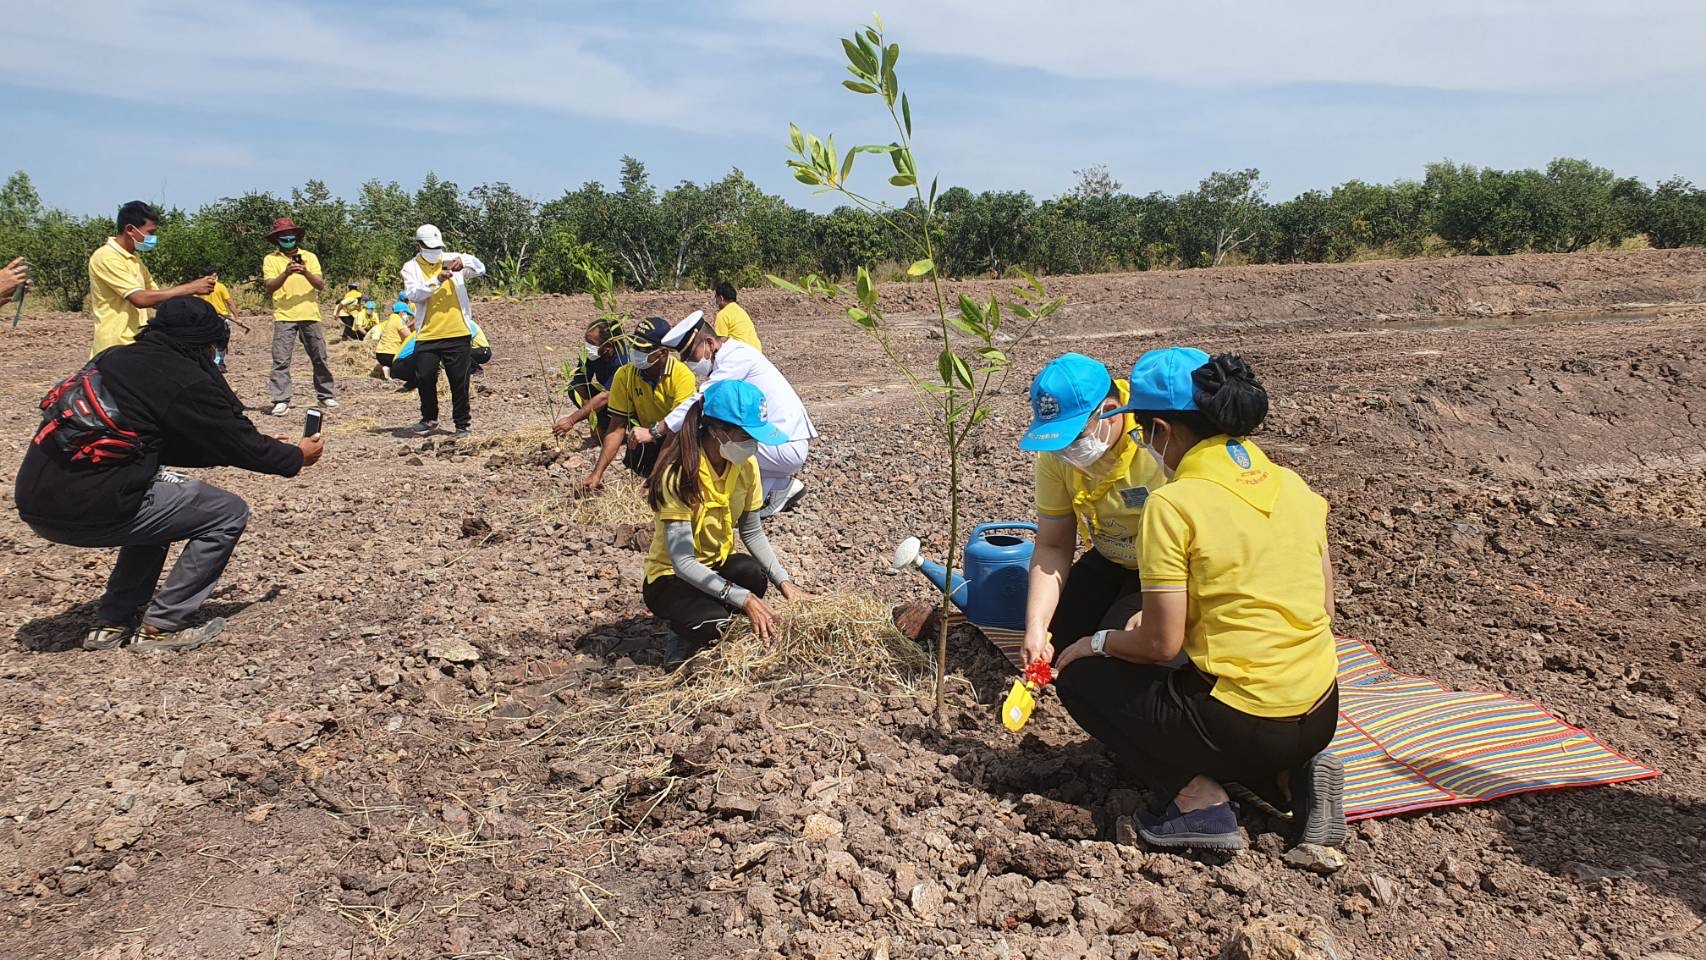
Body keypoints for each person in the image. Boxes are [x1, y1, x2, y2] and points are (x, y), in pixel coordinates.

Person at [1048, 348, 1344, 852]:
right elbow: (1325, 609)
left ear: (1162, 431)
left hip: (1245, 724)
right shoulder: (1293, 485)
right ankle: (1291, 776)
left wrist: (1097, 643)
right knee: (1207, 681)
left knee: (1081, 677)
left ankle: (1199, 802)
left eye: (1143, 433)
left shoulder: (1173, 504)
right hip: (1321, 711)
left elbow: (1161, 646)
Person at [14, 297, 324, 651]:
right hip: (92, 508)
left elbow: (159, 439)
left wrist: (254, 445)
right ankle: (161, 628)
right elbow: (239, 442)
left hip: (36, 502)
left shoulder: (113, 359)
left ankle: (113, 623)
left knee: (165, 508)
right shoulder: (185, 378)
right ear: (206, 342)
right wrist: (296, 456)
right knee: (226, 513)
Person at [1018, 353, 1170, 667]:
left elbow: (1210, 540)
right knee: (1060, 646)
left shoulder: (1159, 443)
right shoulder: (1056, 455)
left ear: (1110, 412)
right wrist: (1036, 626)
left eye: (1075, 437)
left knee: (1109, 662)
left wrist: (1164, 612)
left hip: (1168, 568)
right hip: (1112, 554)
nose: (1065, 450)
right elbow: (1052, 544)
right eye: (1058, 441)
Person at [642, 379, 805, 668]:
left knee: (754, 574)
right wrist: (744, 600)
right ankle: (683, 631)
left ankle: (711, 612)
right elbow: (682, 562)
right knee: (717, 624)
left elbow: (752, 531)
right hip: (671, 578)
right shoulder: (678, 476)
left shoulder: (746, 465)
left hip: (715, 566)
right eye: (746, 436)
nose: (752, 445)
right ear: (718, 433)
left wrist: (786, 583)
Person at [642, 311, 813, 518]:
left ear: (709, 343)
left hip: (783, 443)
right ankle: (780, 486)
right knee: (724, 435)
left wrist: (656, 430)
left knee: (710, 437)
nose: (689, 363)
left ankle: (695, 497)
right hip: (782, 443)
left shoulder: (735, 359)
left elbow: (701, 400)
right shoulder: (732, 354)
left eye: (690, 356)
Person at [555, 316, 696, 493]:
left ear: (662, 353)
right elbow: (616, 427)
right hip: (648, 435)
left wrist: (655, 478)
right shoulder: (626, 374)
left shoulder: (682, 377)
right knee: (637, 452)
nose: (635, 352)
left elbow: (676, 430)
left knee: (677, 479)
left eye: (642, 349)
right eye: (634, 345)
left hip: (676, 439)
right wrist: (597, 474)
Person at [87, 201, 216, 357]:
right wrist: (190, 287)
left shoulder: (134, 259)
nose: (153, 238)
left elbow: (157, 299)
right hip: (115, 346)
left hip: (136, 342)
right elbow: (140, 299)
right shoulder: (107, 257)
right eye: (150, 232)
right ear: (130, 230)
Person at [399, 224, 486, 436]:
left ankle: (462, 424)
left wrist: (464, 262)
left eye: (438, 247)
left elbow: (480, 268)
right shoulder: (410, 267)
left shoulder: (452, 258)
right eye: (430, 247)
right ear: (419, 245)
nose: (435, 251)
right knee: (425, 378)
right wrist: (437, 280)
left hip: (457, 331)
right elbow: (414, 295)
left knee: (459, 381)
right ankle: (429, 418)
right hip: (428, 333)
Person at [261, 217, 336, 416]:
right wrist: (286, 273)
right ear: (277, 239)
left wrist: (304, 272)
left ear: (296, 236)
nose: (287, 238)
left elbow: (320, 284)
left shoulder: (309, 257)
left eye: (290, 235)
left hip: (309, 313)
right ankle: (281, 399)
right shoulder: (271, 259)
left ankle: (325, 394)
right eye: (282, 236)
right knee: (281, 359)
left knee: (319, 356)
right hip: (284, 315)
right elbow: (270, 286)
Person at [557, 319, 627, 441]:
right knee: (574, 388)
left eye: (591, 342)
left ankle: (620, 432)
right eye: (586, 341)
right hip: (606, 399)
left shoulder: (622, 361)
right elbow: (580, 383)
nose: (587, 346)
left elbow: (606, 396)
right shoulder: (591, 354)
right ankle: (603, 427)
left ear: (608, 346)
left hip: (626, 403)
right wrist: (593, 422)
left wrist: (571, 420)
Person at [197, 271, 239, 372]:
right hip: (218, 317)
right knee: (221, 341)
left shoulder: (199, 287)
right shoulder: (220, 286)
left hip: (206, 317)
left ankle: (214, 362)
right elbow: (229, 301)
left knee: (210, 341)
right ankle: (217, 363)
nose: (216, 277)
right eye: (214, 275)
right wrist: (237, 317)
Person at [712, 281, 762, 352]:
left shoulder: (723, 314)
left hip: (742, 354)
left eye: (716, 298)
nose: (716, 302)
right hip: (757, 352)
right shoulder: (741, 311)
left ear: (721, 298)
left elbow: (720, 341)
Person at [373, 303, 413, 380]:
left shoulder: (391, 320)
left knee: (389, 365)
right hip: (390, 353)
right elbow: (409, 336)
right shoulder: (398, 321)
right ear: (401, 312)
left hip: (380, 352)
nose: (407, 316)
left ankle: (386, 370)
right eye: (406, 313)